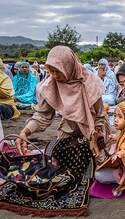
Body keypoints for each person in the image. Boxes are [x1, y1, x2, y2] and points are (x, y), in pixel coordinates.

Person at [11, 46, 111, 215]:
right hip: (69, 129)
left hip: (95, 131)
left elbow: (100, 117)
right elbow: (42, 116)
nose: (54, 76)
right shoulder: (51, 84)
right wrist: (24, 133)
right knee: (56, 167)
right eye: (51, 71)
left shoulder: (90, 82)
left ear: (69, 65)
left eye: (58, 71)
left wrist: (95, 137)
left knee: (99, 172)